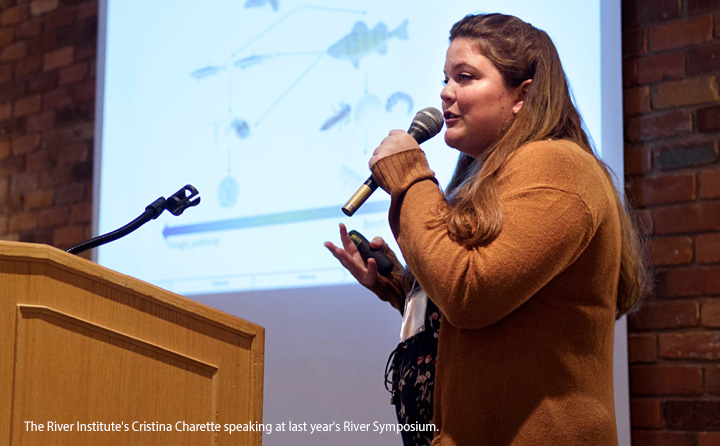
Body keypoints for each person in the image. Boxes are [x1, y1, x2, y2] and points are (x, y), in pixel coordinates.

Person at [326, 12, 650, 446]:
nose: (444, 93)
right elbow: (488, 308)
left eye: (465, 77)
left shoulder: (557, 166)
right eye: (444, 78)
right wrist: (402, 285)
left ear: (522, 95)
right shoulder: (490, 175)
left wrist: (411, 179)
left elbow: (471, 293)